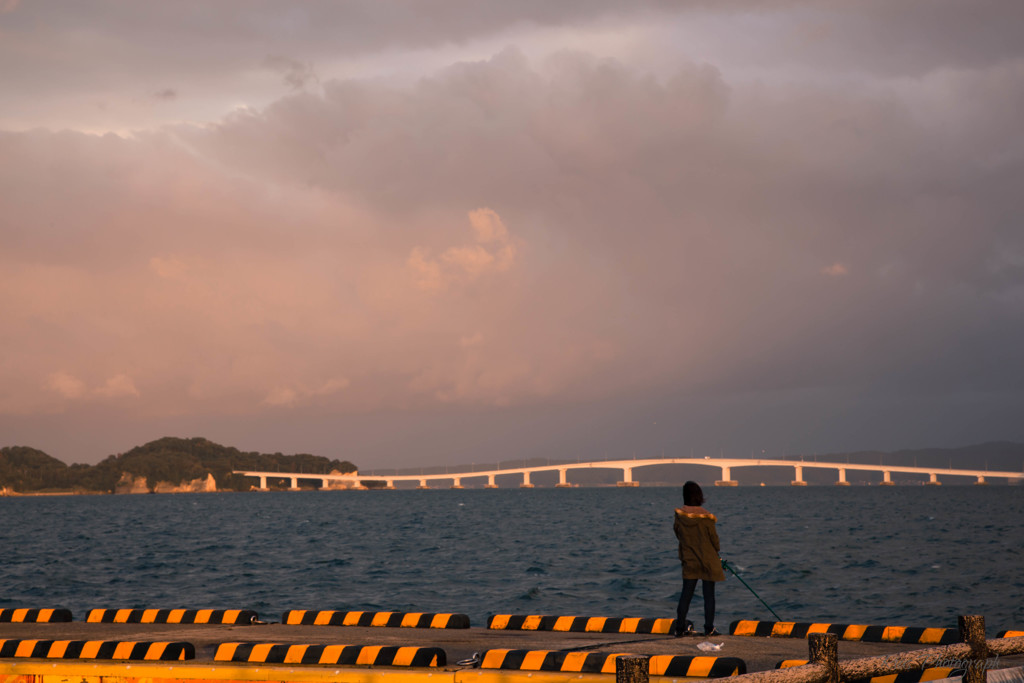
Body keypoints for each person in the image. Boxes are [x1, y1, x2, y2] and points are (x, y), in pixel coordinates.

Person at [673, 480, 725, 637]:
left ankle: (680, 628)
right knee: (709, 596)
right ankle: (709, 628)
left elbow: (678, 534)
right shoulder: (707, 518)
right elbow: (715, 541)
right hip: (708, 560)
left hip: (689, 560)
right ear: (699, 496)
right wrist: (716, 551)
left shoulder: (679, 517)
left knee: (686, 595)